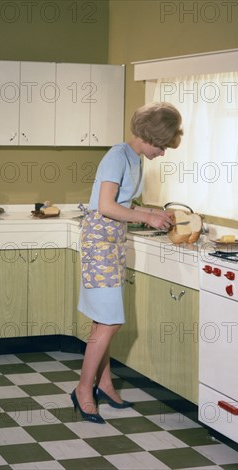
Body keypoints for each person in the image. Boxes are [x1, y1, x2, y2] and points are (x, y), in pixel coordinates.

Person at [71, 102, 184, 424]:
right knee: (109, 322)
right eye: (160, 146)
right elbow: (106, 206)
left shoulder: (135, 158)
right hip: (99, 242)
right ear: (147, 136)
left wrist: (155, 214)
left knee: (101, 321)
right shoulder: (116, 156)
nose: (162, 153)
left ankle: (103, 383)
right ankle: (82, 390)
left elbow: (123, 204)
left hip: (113, 242)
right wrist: (146, 216)